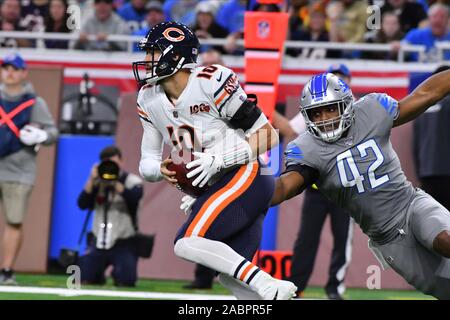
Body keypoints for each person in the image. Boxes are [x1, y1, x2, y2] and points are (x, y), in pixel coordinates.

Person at [133, 21, 297, 300]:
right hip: (218, 183)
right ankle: (266, 292)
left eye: (153, 52)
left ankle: (270, 283)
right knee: (234, 280)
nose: (147, 59)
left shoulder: (211, 81)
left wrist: (218, 160)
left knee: (186, 242)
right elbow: (146, 163)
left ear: (175, 55)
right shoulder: (148, 98)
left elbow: (267, 136)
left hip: (247, 173)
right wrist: (161, 170)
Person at [270, 68, 450, 299]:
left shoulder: (371, 110)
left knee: (444, 238)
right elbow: (286, 187)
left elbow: (426, 94)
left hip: (412, 205)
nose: (325, 119)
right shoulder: (306, 148)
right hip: (388, 238)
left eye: (330, 109)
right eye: (317, 113)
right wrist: (247, 191)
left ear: (346, 104)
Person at [288, 64, 354, 300]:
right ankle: (295, 288)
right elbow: (288, 128)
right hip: (317, 187)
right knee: (306, 239)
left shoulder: (355, 111)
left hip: (345, 189)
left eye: (340, 77)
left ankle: (335, 289)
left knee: (343, 239)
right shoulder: (314, 108)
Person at [0, 53, 58, 284]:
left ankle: (6, 270)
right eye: (6, 68)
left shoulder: (35, 102)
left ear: (24, 72)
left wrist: (42, 135)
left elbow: (53, 133)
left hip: (20, 170)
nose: (9, 72)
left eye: (15, 68)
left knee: (14, 221)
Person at [77, 145, 143, 287]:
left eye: (114, 163)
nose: (110, 167)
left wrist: (114, 183)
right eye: (107, 164)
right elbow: (82, 204)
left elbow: (135, 198)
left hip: (123, 242)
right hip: (98, 242)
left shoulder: (132, 181)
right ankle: (97, 274)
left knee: (126, 281)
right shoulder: (96, 182)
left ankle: (118, 272)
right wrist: (91, 179)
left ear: (121, 162)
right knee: (85, 279)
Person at [413, 65, 450, 212]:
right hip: (448, 172)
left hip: (426, 174)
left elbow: (415, 145)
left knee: (434, 227)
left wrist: (420, 172)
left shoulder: (421, 108)